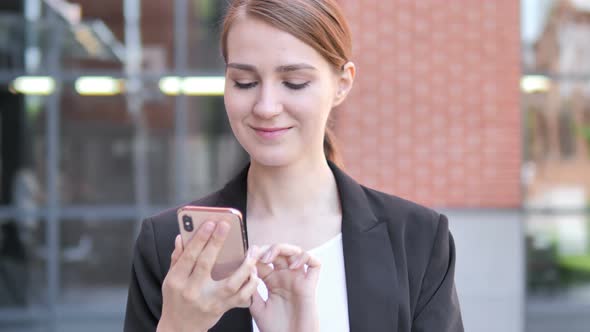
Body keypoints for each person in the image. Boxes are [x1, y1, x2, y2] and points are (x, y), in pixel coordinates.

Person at [124, 0, 464, 331]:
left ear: (342, 83)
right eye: (244, 82)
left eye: (294, 82)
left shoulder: (416, 239)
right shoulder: (170, 244)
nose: (266, 106)